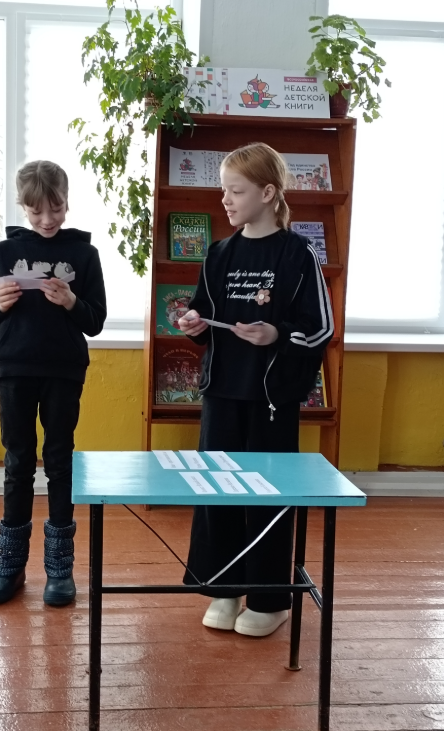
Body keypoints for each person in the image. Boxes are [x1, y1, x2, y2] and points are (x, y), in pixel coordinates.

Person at [178, 142, 333, 637]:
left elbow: (321, 327)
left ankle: (269, 599)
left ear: (267, 193)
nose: (225, 199)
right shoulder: (219, 253)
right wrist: (193, 324)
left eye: (236, 191)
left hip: (271, 401)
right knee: (216, 494)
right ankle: (222, 589)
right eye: (223, 190)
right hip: (221, 395)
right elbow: (204, 316)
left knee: (267, 498)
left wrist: (277, 335)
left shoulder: (298, 254)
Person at [0, 160, 107, 606]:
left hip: (64, 371)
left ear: (67, 202)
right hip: (14, 368)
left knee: (59, 461)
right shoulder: (4, 251)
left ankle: (59, 570)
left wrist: (71, 301)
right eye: (36, 212)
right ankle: (9, 568)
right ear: (23, 206)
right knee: (17, 462)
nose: (48, 220)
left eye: (56, 209)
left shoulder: (85, 255)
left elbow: (95, 322)